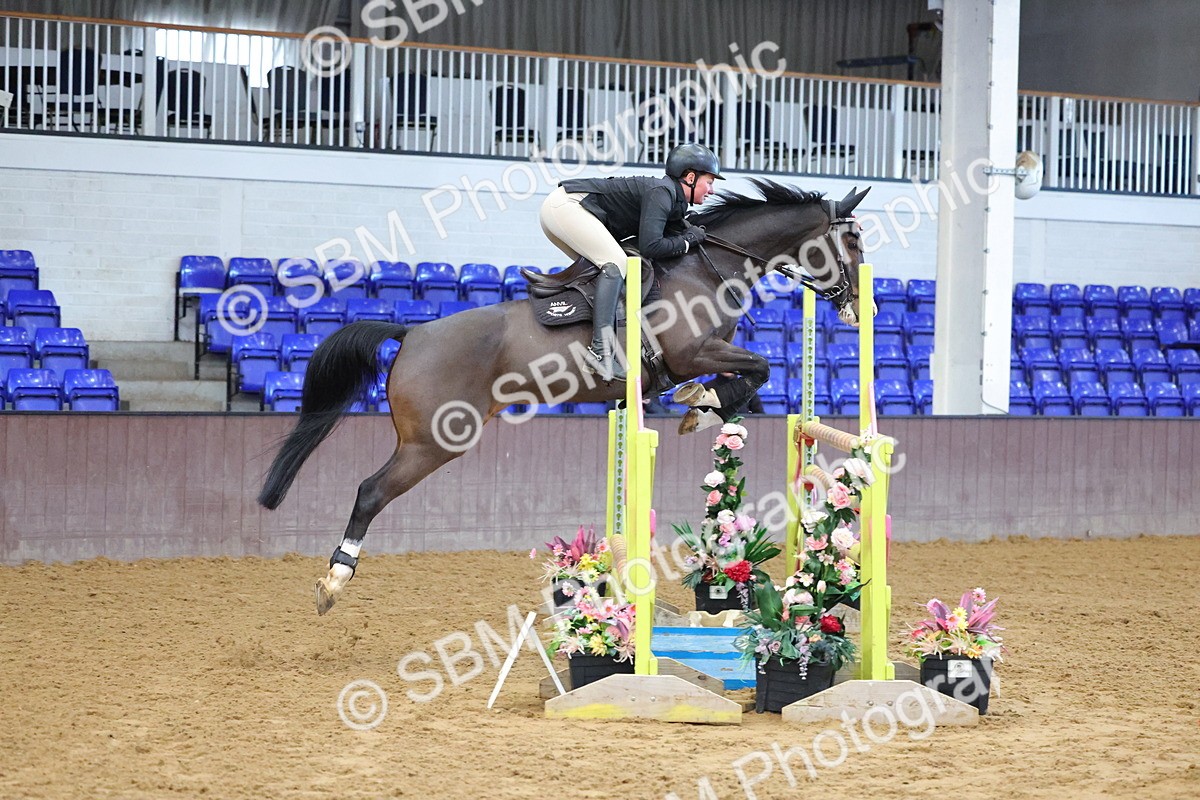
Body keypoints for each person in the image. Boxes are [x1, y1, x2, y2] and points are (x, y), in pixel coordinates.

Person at [539, 143, 723, 381]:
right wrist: (687, 241)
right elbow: (652, 246)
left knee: (612, 272)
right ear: (690, 177)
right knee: (616, 265)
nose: (712, 191)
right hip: (566, 207)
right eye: (709, 182)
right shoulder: (662, 193)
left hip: (564, 211)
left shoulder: (674, 200)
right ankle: (600, 351)